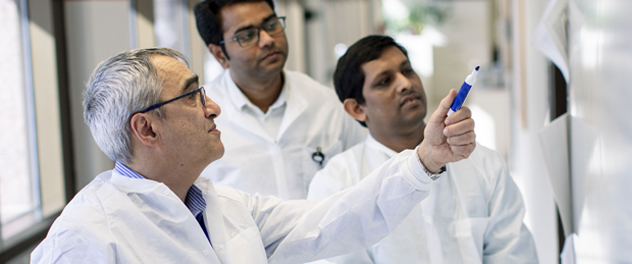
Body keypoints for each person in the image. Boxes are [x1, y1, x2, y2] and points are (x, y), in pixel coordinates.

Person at [30, 47, 476, 263]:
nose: (213, 106)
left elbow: (336, 220)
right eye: (191, 98)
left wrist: (426, 159)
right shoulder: (86, 237)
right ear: (146, 127)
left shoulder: (225, 207)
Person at [307, 35, 538, 263]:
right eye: (384, 81)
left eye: (407, 70)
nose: (405, 84)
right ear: (357, 108)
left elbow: (514, 253)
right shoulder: (336, 184)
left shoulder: (484, 164)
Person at [193, 0, 366, 200]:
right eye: (247, 35)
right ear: (219, 54)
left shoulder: (325, 103)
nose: (267, 40)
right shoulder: (201, 119)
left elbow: (363, 175)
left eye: (271, 25)